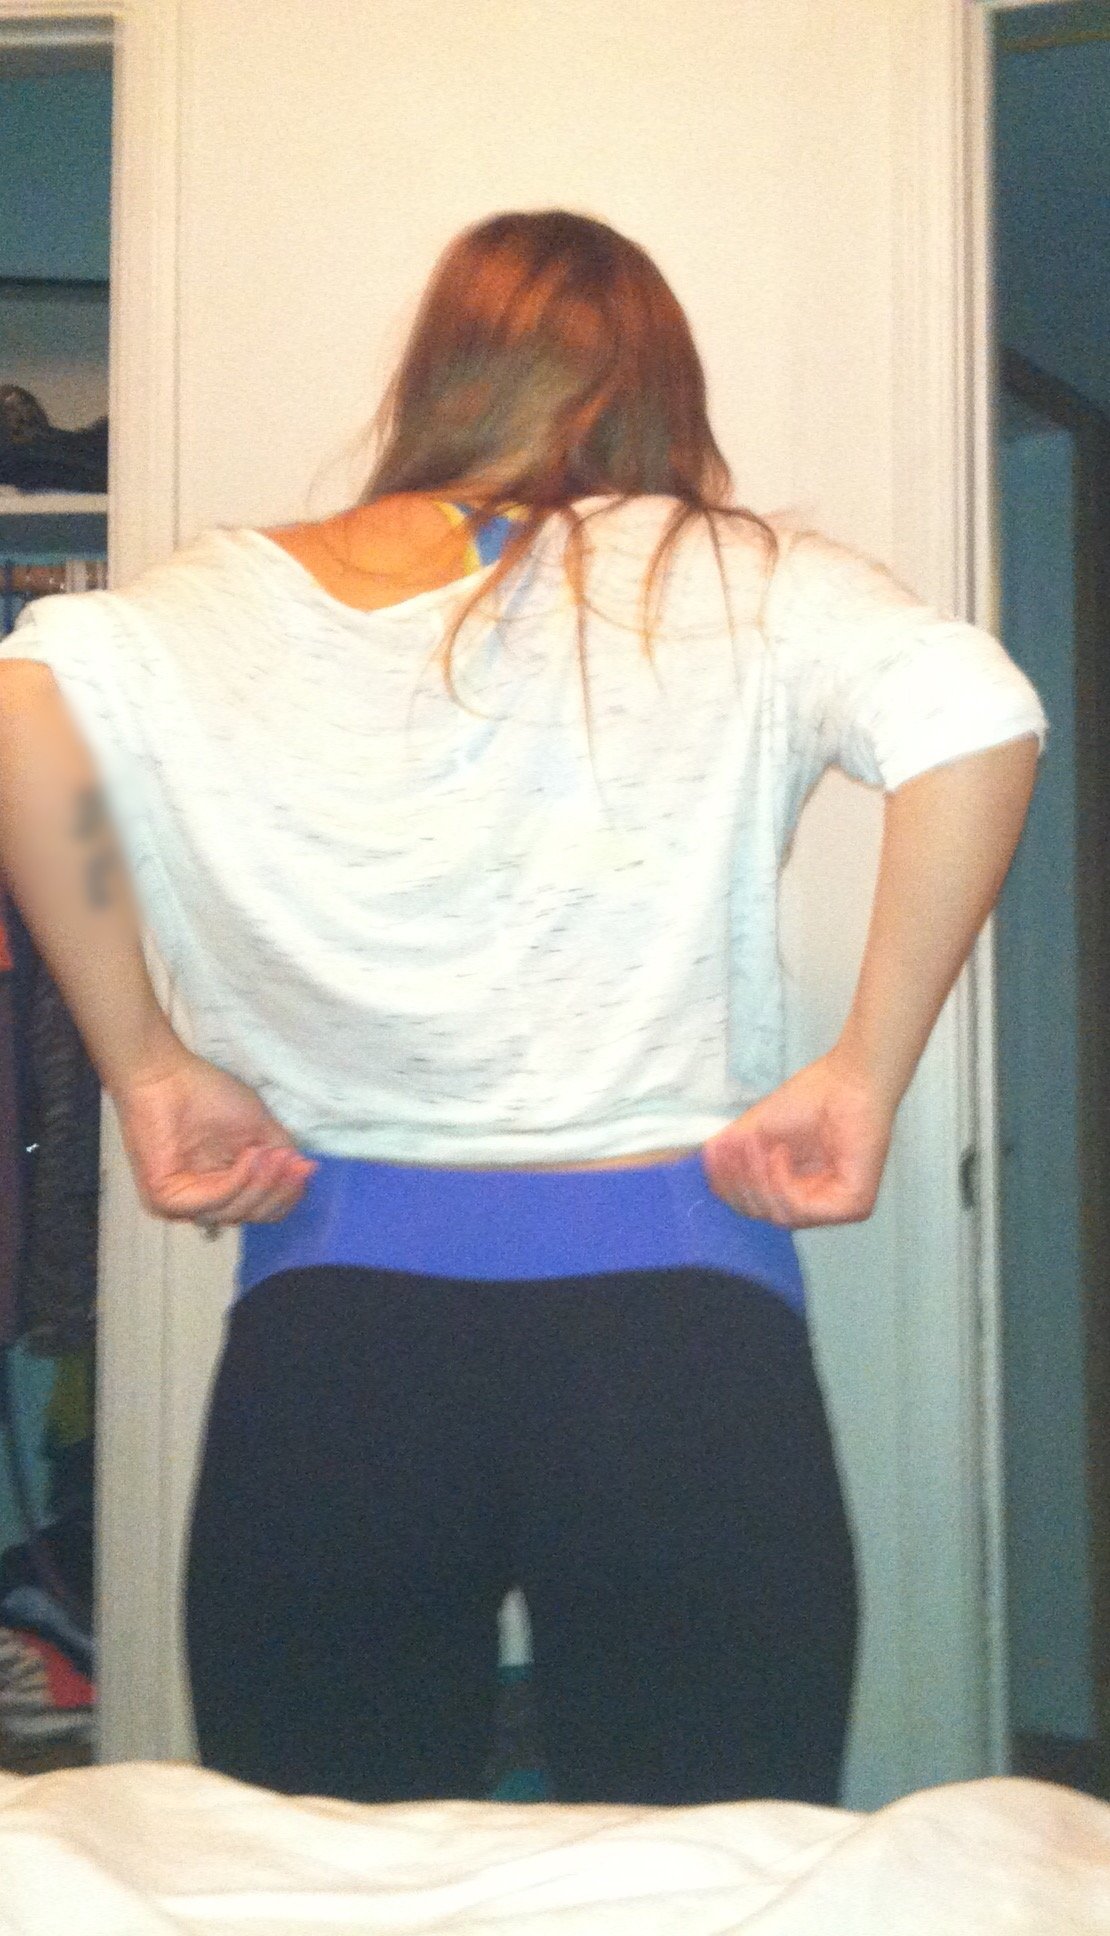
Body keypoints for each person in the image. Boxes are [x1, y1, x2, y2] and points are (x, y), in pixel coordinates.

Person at [0, 210, 1043, 1810]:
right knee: (708, 1868)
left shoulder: (224, 596)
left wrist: (144, 1065)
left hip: (336, 1333)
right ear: (658, 384)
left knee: (322, 1866)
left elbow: (28, 704)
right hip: (677, 1329)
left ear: (441, 374)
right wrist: (863, 1071)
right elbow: (974, 710)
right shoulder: (744, 577)